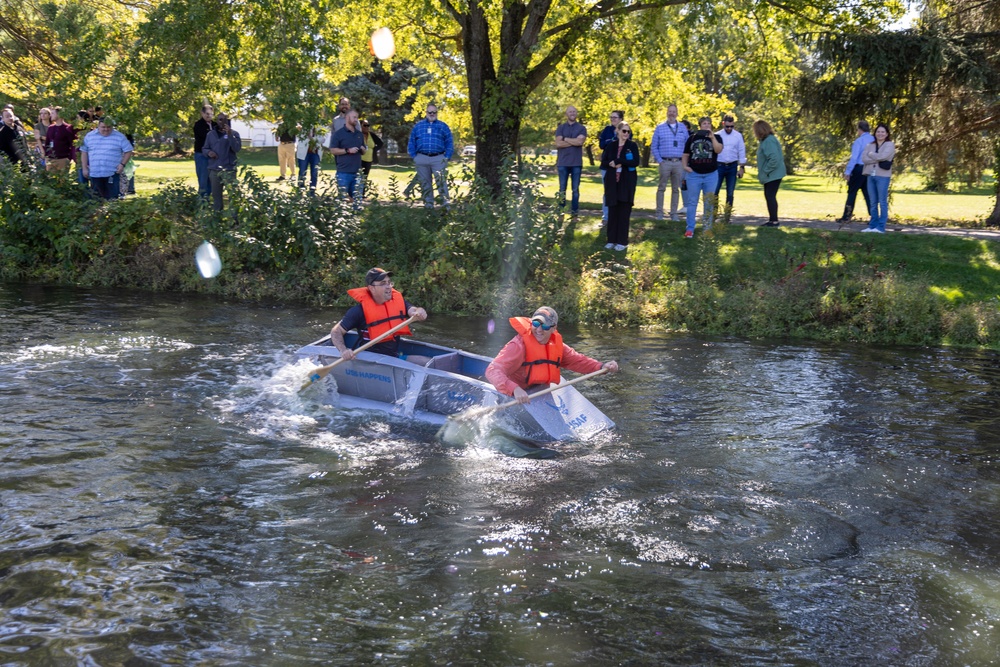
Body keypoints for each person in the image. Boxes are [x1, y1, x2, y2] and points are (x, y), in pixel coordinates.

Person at [485, 306, 619, 404]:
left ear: (554, 328)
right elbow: (492, 371)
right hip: (515, 395)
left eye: (544, 326)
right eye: (536, 323)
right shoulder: (518, 346)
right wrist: (514, 389)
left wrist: (601, 366)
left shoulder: (557, 346)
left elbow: (578, 361)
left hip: (540, 392)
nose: (538, 329)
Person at [329, 267, 430, 364]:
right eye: (383, 283)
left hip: (393, 358)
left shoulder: (399, 303)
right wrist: (343, 350)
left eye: (389, 283)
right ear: (371, 288)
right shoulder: (358, 311)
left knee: (428, 362)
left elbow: (412, 310)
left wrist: (419, 311)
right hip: (368, 360)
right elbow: (336, 331)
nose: (388, 286)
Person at [600, 121, 640, 251]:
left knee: (624, 211)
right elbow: (604, 161)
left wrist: (619, 161)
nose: (626, 134)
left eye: (628, 131)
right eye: (624, 131)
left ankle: (622, 241)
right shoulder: (611, 146)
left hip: (626, 182)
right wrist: (611, 164)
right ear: (617, 131)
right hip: (612, 181)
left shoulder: (632, 146)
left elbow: (635, 162)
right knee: (612, 211)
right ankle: (611, 239)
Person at [681, 117, 723, 238]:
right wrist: (685, 166)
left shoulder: (717, 137)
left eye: (709, 124)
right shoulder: (692, 138)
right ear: (700, 126)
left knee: (708, 202)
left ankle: (707, 229)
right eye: (704, 124)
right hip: (694, 175)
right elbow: (685, 154)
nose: (707, 126)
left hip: (711, 175)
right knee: (692, 202)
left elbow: (718, 150)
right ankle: (690, 229)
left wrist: (712, 137)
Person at [407, 103, 454, 209]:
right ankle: (429, 207)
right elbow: (411, 142)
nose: (432, 114)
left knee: (441, 183)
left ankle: (446, 206)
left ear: (437, 113)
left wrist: (447, 157)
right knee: (425, 184)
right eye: (430, 112)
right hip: (421, 158)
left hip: (438, 158)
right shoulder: (418, 126)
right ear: (426, 113)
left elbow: (449, 142)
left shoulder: (443, 126)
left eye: (434, 112)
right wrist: (414, 156)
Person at [651, 104, 689, 221]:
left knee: (676, 189)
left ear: (677, 113)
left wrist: (684, 161)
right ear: (667, 112)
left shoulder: (682, 128)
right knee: (661, 188)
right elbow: (654, 146)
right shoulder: (660, 127)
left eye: (674, 111)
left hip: (678, 163)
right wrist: (660, 161)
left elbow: (688, 145)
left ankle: (674, 214)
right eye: (670, 111)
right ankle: (659, 213)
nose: (672, 113)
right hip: (665, 162)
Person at [79, 118, 134, 200]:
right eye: (103, 127)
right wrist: (84, 168)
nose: (106, 129)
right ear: (98, 126)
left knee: (112, 198)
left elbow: (128, 151)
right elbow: (84, 152)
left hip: (112, 172)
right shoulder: (90, 136)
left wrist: (122, 164)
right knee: (95, 199)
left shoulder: (119, 136)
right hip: (95, 172)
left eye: (109, 127)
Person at [202, 112, 241, 211]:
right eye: (219, 119)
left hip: (229, 169)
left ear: (227, 121)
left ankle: (234, 220)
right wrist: (209, 152)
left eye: (224, 119)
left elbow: (237, 148)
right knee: (216, 196)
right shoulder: (211, 134)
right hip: (214, 170)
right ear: (217, 121)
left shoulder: (235, 134)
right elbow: (204, 148)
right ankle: (217, 218)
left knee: (233, 196)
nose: (222, 121)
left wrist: (230, 134)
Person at [861, 123, 895, 234]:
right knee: (873, 202)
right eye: (878, 132)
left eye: (882, 132)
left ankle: (881, 227)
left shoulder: (889, 145)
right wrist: (877, 158)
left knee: (882, 201)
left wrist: (872, 155)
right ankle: (872, 226)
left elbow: (883, 156)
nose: (880, 134)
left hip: (883, 176)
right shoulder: (869, 145)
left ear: (887, 134)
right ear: (875, 133)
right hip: (870, 174)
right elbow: (864, 159)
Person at [753, 119, 786, 227]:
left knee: (770, 196)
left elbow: (774, 158)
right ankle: (772, 219)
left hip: (773, 174)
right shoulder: (767, 140)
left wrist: (765, 171)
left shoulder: (768, 141)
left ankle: (774, 221)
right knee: (769, 196)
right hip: (772, 174)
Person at [554, 106, 587, 216]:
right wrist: (574, 141)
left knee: (575, 190)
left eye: (574, 111)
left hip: (576, 163)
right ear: (566, 114)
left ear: (576, 113)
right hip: (562, 163)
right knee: (562, 189)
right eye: (570, 112)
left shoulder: (582, 128)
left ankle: (574, 214)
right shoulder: (561, 128)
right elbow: (558, 143)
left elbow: (580, 142)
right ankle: (560, 213)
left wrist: (566, 139)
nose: (572, 113)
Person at [329, 108, 366, 206]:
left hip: (357, 173)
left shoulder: (359, 134)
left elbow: (364, 151)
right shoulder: (338, 134)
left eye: (357, 118)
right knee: (342, 201)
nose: (356, 120)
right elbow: (333, 150)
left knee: (357, 202)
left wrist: (363, 149)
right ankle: (341, 220)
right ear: (347, 117)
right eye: (354, 117)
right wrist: (347, 150)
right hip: (343, 173)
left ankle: (356, 219)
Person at [839, 120, 873, 223]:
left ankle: (847, 216)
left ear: (859, 129)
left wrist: (848, 172)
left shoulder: (859, 141)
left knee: (852, 192)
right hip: (870, 168)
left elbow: (854, 158)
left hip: (859, 168)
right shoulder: (874, 139)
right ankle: (874, 216)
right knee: (868, 193)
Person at [714, 115, 746, 210]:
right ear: (723, 124)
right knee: (715, 191)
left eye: (731, 126)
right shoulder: (717, 135)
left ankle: (727, 215)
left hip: (732, 165)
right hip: (719, 165)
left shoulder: (738, 136)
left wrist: (742, 167)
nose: (729, 128)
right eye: (727, 126)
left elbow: (741, 151)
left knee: (730, 192)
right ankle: (714, 214)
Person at [598, 110, 623, 224]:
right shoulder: (607, 130)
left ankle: (617, 216)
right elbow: (602, 145)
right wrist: (612, 141)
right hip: (606, 165)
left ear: (621, 119)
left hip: (620, 164)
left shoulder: (625, 129)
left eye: (615, 117)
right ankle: (606, 217)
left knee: (620, 191)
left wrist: (610, 142)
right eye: (611, 117)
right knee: (608, 191)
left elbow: (624, 143)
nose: (613, 119)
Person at [193, 105, 217, 199]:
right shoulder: (199, 125)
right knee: (203, 179)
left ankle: (208, 202)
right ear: (202, 113)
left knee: (212, 180)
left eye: (211, 114)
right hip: (202, 155)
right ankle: (202, 203)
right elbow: (204, 139)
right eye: (207, 114)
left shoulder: (215, 125)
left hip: (213, 156)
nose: (209, 116)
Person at [44, 107, 76, 172]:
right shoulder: (50, 128)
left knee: (62, 181)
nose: (51, 115)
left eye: (53, 113)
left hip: (63, 159)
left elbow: (73, 144)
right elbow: (47, 143)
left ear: (59, 114)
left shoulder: (68, 128)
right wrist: (46, 156)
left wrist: (69, 158)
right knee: (51, 180)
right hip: (50, 159)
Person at [359, 119, 383, 199]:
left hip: (369, 159)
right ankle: (356, 193)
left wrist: (374, 150)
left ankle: (362, 193)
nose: (367, 127)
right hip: (359, 159)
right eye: (364, 125)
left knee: (365, 177)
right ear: (360, 126)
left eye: (368, 125)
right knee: (359, 176)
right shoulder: (357, 134)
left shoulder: (371, 135)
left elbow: (380, 143)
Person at [296, 127, 323, 194]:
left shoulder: (320, 127)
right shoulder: (304, 126)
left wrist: (311, 138)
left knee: (314, 172)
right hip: (304, 153)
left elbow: (322, 140)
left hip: (315, 153)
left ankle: (312, 190)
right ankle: (300, 189)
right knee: (302, 171)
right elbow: (300, 137)